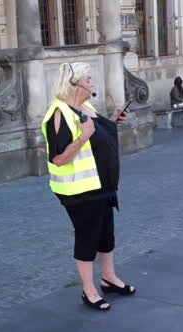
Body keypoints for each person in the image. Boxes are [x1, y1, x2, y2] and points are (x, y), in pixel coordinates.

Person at [42, 62, 137, 311]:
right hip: (79, 190)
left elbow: (98, 135)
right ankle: (89, 290)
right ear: (74, 84)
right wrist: (83, 135)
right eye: (88, 80)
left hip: (102, 184)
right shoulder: (59, 113)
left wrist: (113, 122)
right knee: (87, 236)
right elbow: (58, 158)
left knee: (106, 233)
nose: (92, 84)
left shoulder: (86, 107)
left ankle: (109, 279)